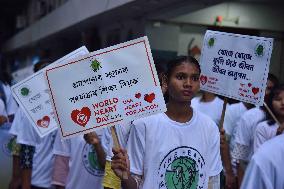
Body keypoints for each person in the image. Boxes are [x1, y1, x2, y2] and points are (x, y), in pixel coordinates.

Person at [111, 56, 222, 189]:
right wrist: (125, 177)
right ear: (165, 80)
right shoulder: (144, 124)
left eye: (194, 78)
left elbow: (212, 182)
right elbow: (134, 183)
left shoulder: (209, 127)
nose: (188, 83)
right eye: (181, 77)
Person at [231, 73, 278, 186]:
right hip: (253, 177)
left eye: (271, 89)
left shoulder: (279, 116)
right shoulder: (250, 116)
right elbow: (240, 157)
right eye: (264, 88)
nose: (267, 92)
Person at [253, 84, 284, 152]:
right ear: (270, 102)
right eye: (278, 99)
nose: (283, 103)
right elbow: (260, 157)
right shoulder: (263, 128)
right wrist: (278, 137)